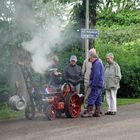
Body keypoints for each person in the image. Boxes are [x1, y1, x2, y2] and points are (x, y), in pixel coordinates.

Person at [81, 52, 104, 117]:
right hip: (99, 84)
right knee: (98, 98)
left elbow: (96, 75)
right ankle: (97, 112)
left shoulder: (96, 63)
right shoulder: (99, 62)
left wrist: (93, 84)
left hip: (96, 84)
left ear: (92, 57)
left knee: (91, 97)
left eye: (90, 58)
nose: (89, 60)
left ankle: (89, 112)